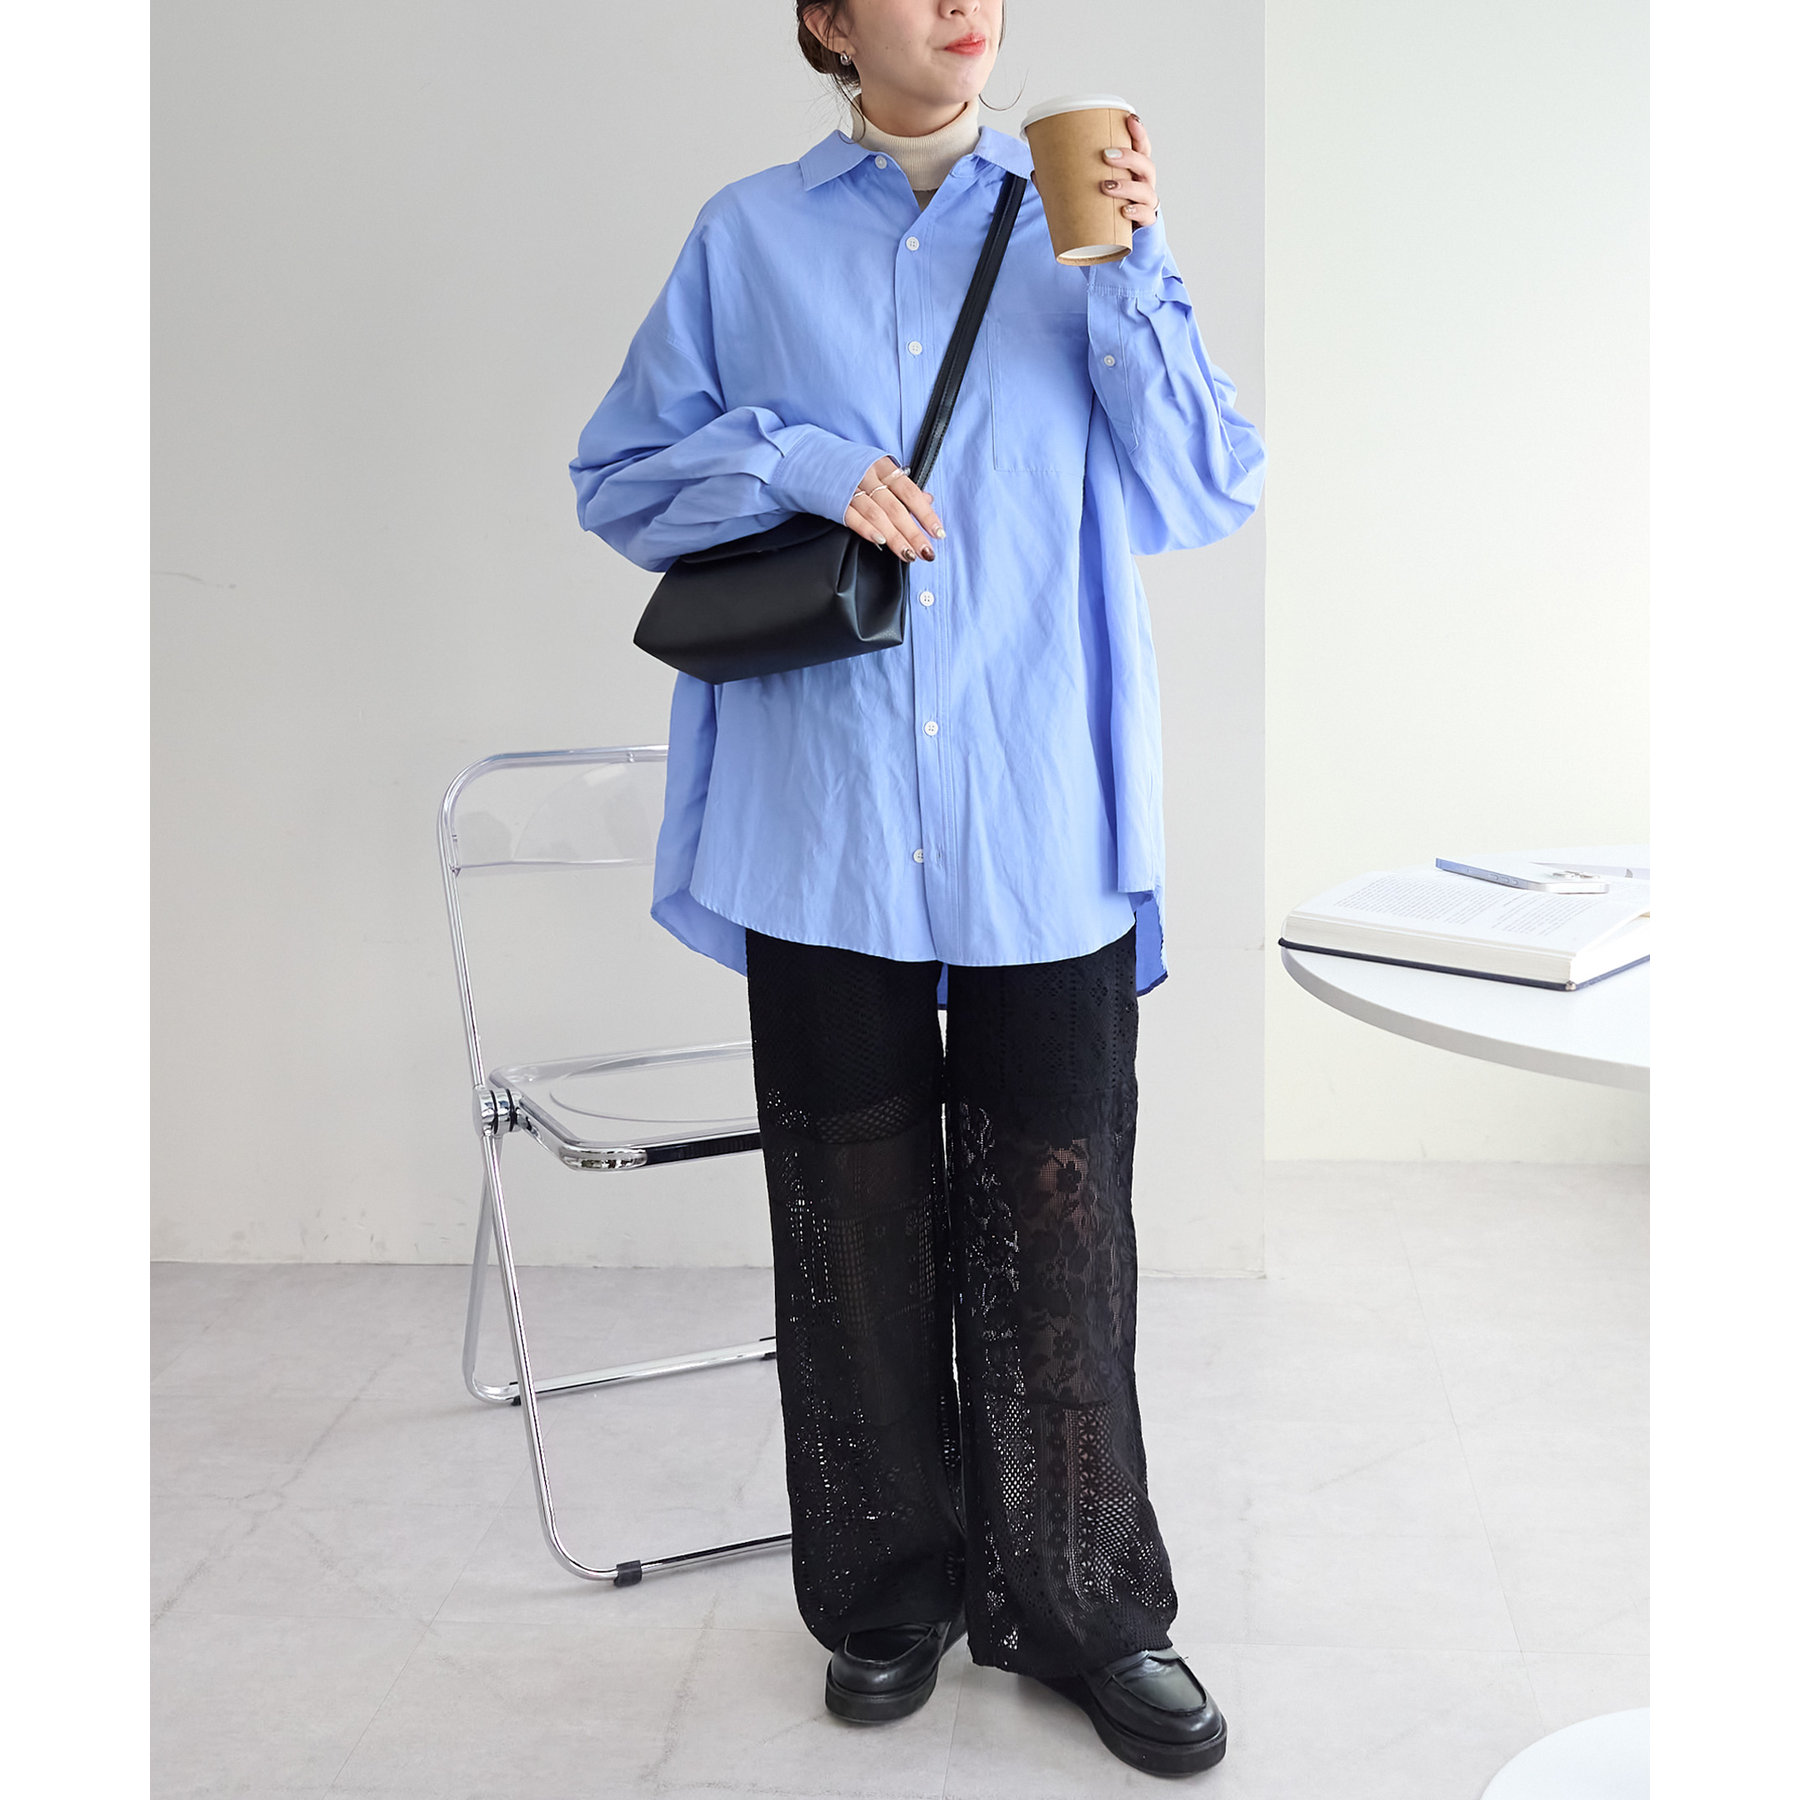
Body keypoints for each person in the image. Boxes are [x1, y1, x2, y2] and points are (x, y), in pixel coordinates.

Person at [569, 0, 1264, 1777]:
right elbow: (619, 480)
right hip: (828, 817)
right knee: (849, 1222)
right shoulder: (747, 237)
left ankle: (1092, 1607)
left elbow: (1203, 488)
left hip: (1040, 813)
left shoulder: (1076, 228)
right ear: (826, 19)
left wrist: (1136, 270)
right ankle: (887, 1593)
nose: (962, 2)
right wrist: (803, 462)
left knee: (1060, 1224)